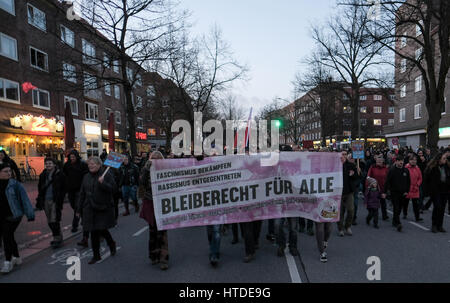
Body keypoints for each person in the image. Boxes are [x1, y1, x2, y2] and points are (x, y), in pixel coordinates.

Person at [77, 157, 117, 264]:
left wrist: (103, 183)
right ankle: (96, 255)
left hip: (102, 207)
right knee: (93, 231)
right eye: (89, 164)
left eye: (93, 164)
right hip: (89, 208)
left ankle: (111, 243)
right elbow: (82, 193)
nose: (91, 166)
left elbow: (113, 189)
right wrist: (78, 208)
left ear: (99, 165)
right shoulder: (86, 177)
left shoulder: (106, 175)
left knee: (102, 229)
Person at [0, 163, 34, 274]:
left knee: (6, 236)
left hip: (14, 215)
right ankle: (17, 257)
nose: (9, 173)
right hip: (2, 215)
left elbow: (25, 200)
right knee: (9, 236)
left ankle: (7, 262)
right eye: (6, 171)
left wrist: (30, 214)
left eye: (10, 171)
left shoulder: (15, 185)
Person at [139, 151, 169, 270]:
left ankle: (164, 259)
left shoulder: (166, 170)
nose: (156, 161)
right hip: (150, 201)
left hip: (162, 202)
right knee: (152, 231)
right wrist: (147, 168)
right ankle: (153, 255)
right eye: (153, 159)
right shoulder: (146, 170)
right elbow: (141, 183)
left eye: (158, 159)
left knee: (162, 232)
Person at [37, 157, 66, 248]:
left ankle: (57, 238)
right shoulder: (43, 175)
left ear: (54, 164)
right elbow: (40, 187)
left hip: (55, 200)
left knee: (54, 219)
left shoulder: (59, 174)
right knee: (49, 220)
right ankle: (57, 236)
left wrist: (61, 198)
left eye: (50, 163)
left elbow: (64, 187)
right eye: (47, 163)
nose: (48, 165)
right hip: (45, 200)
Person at [63, 150, 88, 233]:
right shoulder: (67, 165)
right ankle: (84, 219)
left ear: (77, 157)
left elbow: (86, 175)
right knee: (74, 206)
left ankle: (75, 225)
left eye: (73, 157)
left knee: (77, 207)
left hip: (79, 189)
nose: (72, 158)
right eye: (71, 157)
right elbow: (64, 175)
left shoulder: (82, 164)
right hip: (70, 189)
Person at [424, 152, 450, 233]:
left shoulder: (446, 167)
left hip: (445, 191)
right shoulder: (433, 167)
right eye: (444, 158)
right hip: (436, 191)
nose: (445, 160)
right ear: (439, 159)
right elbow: (427, 180)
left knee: (442, 209)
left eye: (445, 158)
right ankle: (434, 225)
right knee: (437, 207)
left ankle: (440, 225)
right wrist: (429, 190)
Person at [384, 155, 410, 232]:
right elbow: (387, 181)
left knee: (400, 208)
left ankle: (394, 220)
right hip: (394, 192)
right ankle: (398, 222)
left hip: (403, 193)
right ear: (396, 161)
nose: (401, 162)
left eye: (402, 161)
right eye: (399, 161)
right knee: (396, 207)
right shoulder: (392, 170)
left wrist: (407, 191)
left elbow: (408, 182)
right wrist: (385, 192)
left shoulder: (406, 170)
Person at [337, 151, 360, 237]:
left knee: (351, 210)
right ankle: (340, 228)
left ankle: (348, 226)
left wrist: (353, 174)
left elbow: (357, 177)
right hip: (339, 192)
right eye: (342, 154)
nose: (344, 156)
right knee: (340, 212)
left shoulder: (351, 165)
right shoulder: (336, 166)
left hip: (349, 191)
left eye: (345, 154)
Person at [367, 155, 390, 220]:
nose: (379, 162)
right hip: (374, 188)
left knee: (383, 203)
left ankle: (384, 216)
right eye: (378, 161)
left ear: (383, 162)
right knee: (374, 204)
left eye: (380, 161)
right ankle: (371, 216)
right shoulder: (372, 167)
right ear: (376, 161)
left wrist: (387, 188)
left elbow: (388, 178)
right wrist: (371, 184)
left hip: (383, 188)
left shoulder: (385, 168)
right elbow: (368, 177)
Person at [404, 154, 423, 222]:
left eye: (415, 160)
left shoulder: (417, 168)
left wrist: (417, 184)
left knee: (416, 204)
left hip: (415, 188)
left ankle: (417, 217)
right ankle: (405, 213)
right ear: (409, 160)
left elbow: (420, 178)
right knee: (405, 202)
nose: (413, 161)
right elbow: (404, 178)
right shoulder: (406, 168)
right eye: (412, 160)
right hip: (408, 188)